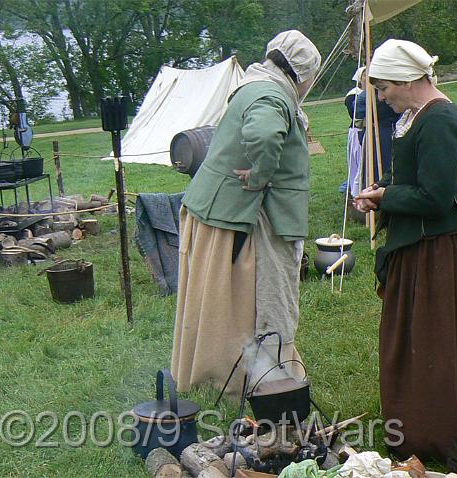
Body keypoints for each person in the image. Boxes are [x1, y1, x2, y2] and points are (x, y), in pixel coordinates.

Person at [354, 39, 457, 462]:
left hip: (439, 251)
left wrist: (386, 197)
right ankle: (413, 421)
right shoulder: (417, 116)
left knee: (434, 342)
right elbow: (412, 176)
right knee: (413, 339)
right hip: (419, 246)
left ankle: (438, 431)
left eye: (384, 87)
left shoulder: (441, 119)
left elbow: (435, 196)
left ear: (407, 80)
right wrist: (382, 190)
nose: (381, 97)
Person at [171, 30, 321, 397]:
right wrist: (259, 175)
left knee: (224, 301)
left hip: (217, 209)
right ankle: (250, 376)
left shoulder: (257, 85)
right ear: (302, 75)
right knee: (250, 300)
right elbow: (265, 134)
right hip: (238, 215)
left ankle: (230, 372)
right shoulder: (270, 94)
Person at [340, 66, 366, 197]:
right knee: (357, 163)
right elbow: (354, 113)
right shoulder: (353, 94)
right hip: (357, 131)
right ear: (360, 78)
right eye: (365, 75)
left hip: (370, 131)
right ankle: (355, 192)